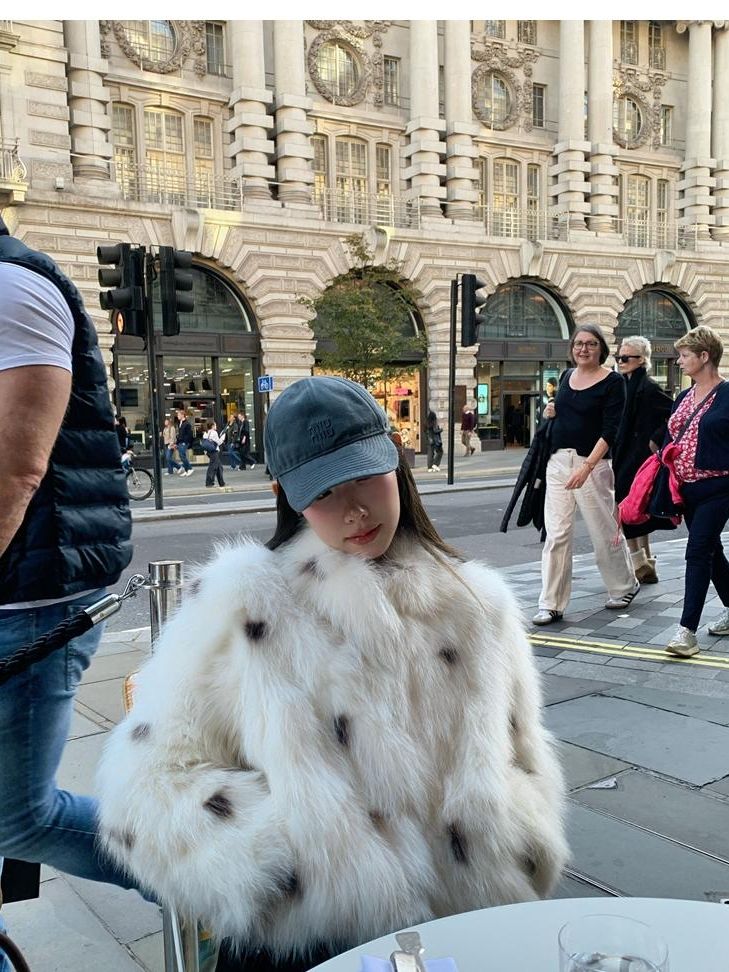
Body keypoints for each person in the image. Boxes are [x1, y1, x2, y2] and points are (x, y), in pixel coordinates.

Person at [97, 375, 568, 972]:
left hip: (466, 921)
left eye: (365, 475)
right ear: (286, 496)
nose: (354, 510)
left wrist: (514, 843)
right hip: (317, 940)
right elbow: (147, 788)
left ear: (395, 458)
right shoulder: (244, 604)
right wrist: (306, 869)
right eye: (323, 491)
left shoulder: (477, 602)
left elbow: (521, 753)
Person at [0, 215, 134, 968]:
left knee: (18, 816)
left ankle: (210, 882)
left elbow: (15, 473)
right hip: (20, 596)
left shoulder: (9, 286)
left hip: (28, 607)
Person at [533, 323, 638, 625]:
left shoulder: (613, 382)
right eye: (579, 343)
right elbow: (565, 413)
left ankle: (623, 586)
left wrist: (587, 466)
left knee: (602, 529)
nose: (584, 349)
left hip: (592, 463)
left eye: (591, 344)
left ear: (601, 348)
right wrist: (550, 411)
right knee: (556, 534)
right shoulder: (566, 376)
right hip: (558, 462)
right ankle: (551, 603)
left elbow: (610, 430)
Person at [662, 326, 729, 657]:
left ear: (704, 356)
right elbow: (671, 436)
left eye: (684, 355)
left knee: (698, 550)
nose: (679, 361)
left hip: (719, 487)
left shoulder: (727, 394)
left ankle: (686, 631)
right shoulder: (683, 396)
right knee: (711, 551)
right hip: (685, 489)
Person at [612, 336, 673, 584]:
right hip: (624, 456)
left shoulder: (647, 387)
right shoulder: (625, 384)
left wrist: (654, 439)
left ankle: (639, 563)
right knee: (635, 510)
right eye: (619, 357)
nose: (621, 361)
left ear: (642, 360)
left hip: (636, 459)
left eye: (626, 357)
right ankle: (646, 562)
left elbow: (674, 413)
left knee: (627, 510)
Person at [203, 420, 226, 488]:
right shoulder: (214, 432)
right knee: (213, 467)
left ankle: (221, 483)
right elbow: (218, 442)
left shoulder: (205, 433)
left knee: (219, 467)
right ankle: (209, 483)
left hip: (209, 451)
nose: (216, 426)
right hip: (214, 452)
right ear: (212, 426)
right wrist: (223, 438)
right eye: (215, 425)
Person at [175, 408, 195, 476]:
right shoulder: (180, 423)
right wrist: (177, 443)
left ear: (182, 415)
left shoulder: (187, 424)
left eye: (178, 415)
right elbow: (180, 434)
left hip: (184, 443)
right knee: (181, 456)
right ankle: (186, 470)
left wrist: (185, 442)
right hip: (180, 442)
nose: (177, 416)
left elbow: (189, 435)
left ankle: (190, 468)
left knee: (182, 456)